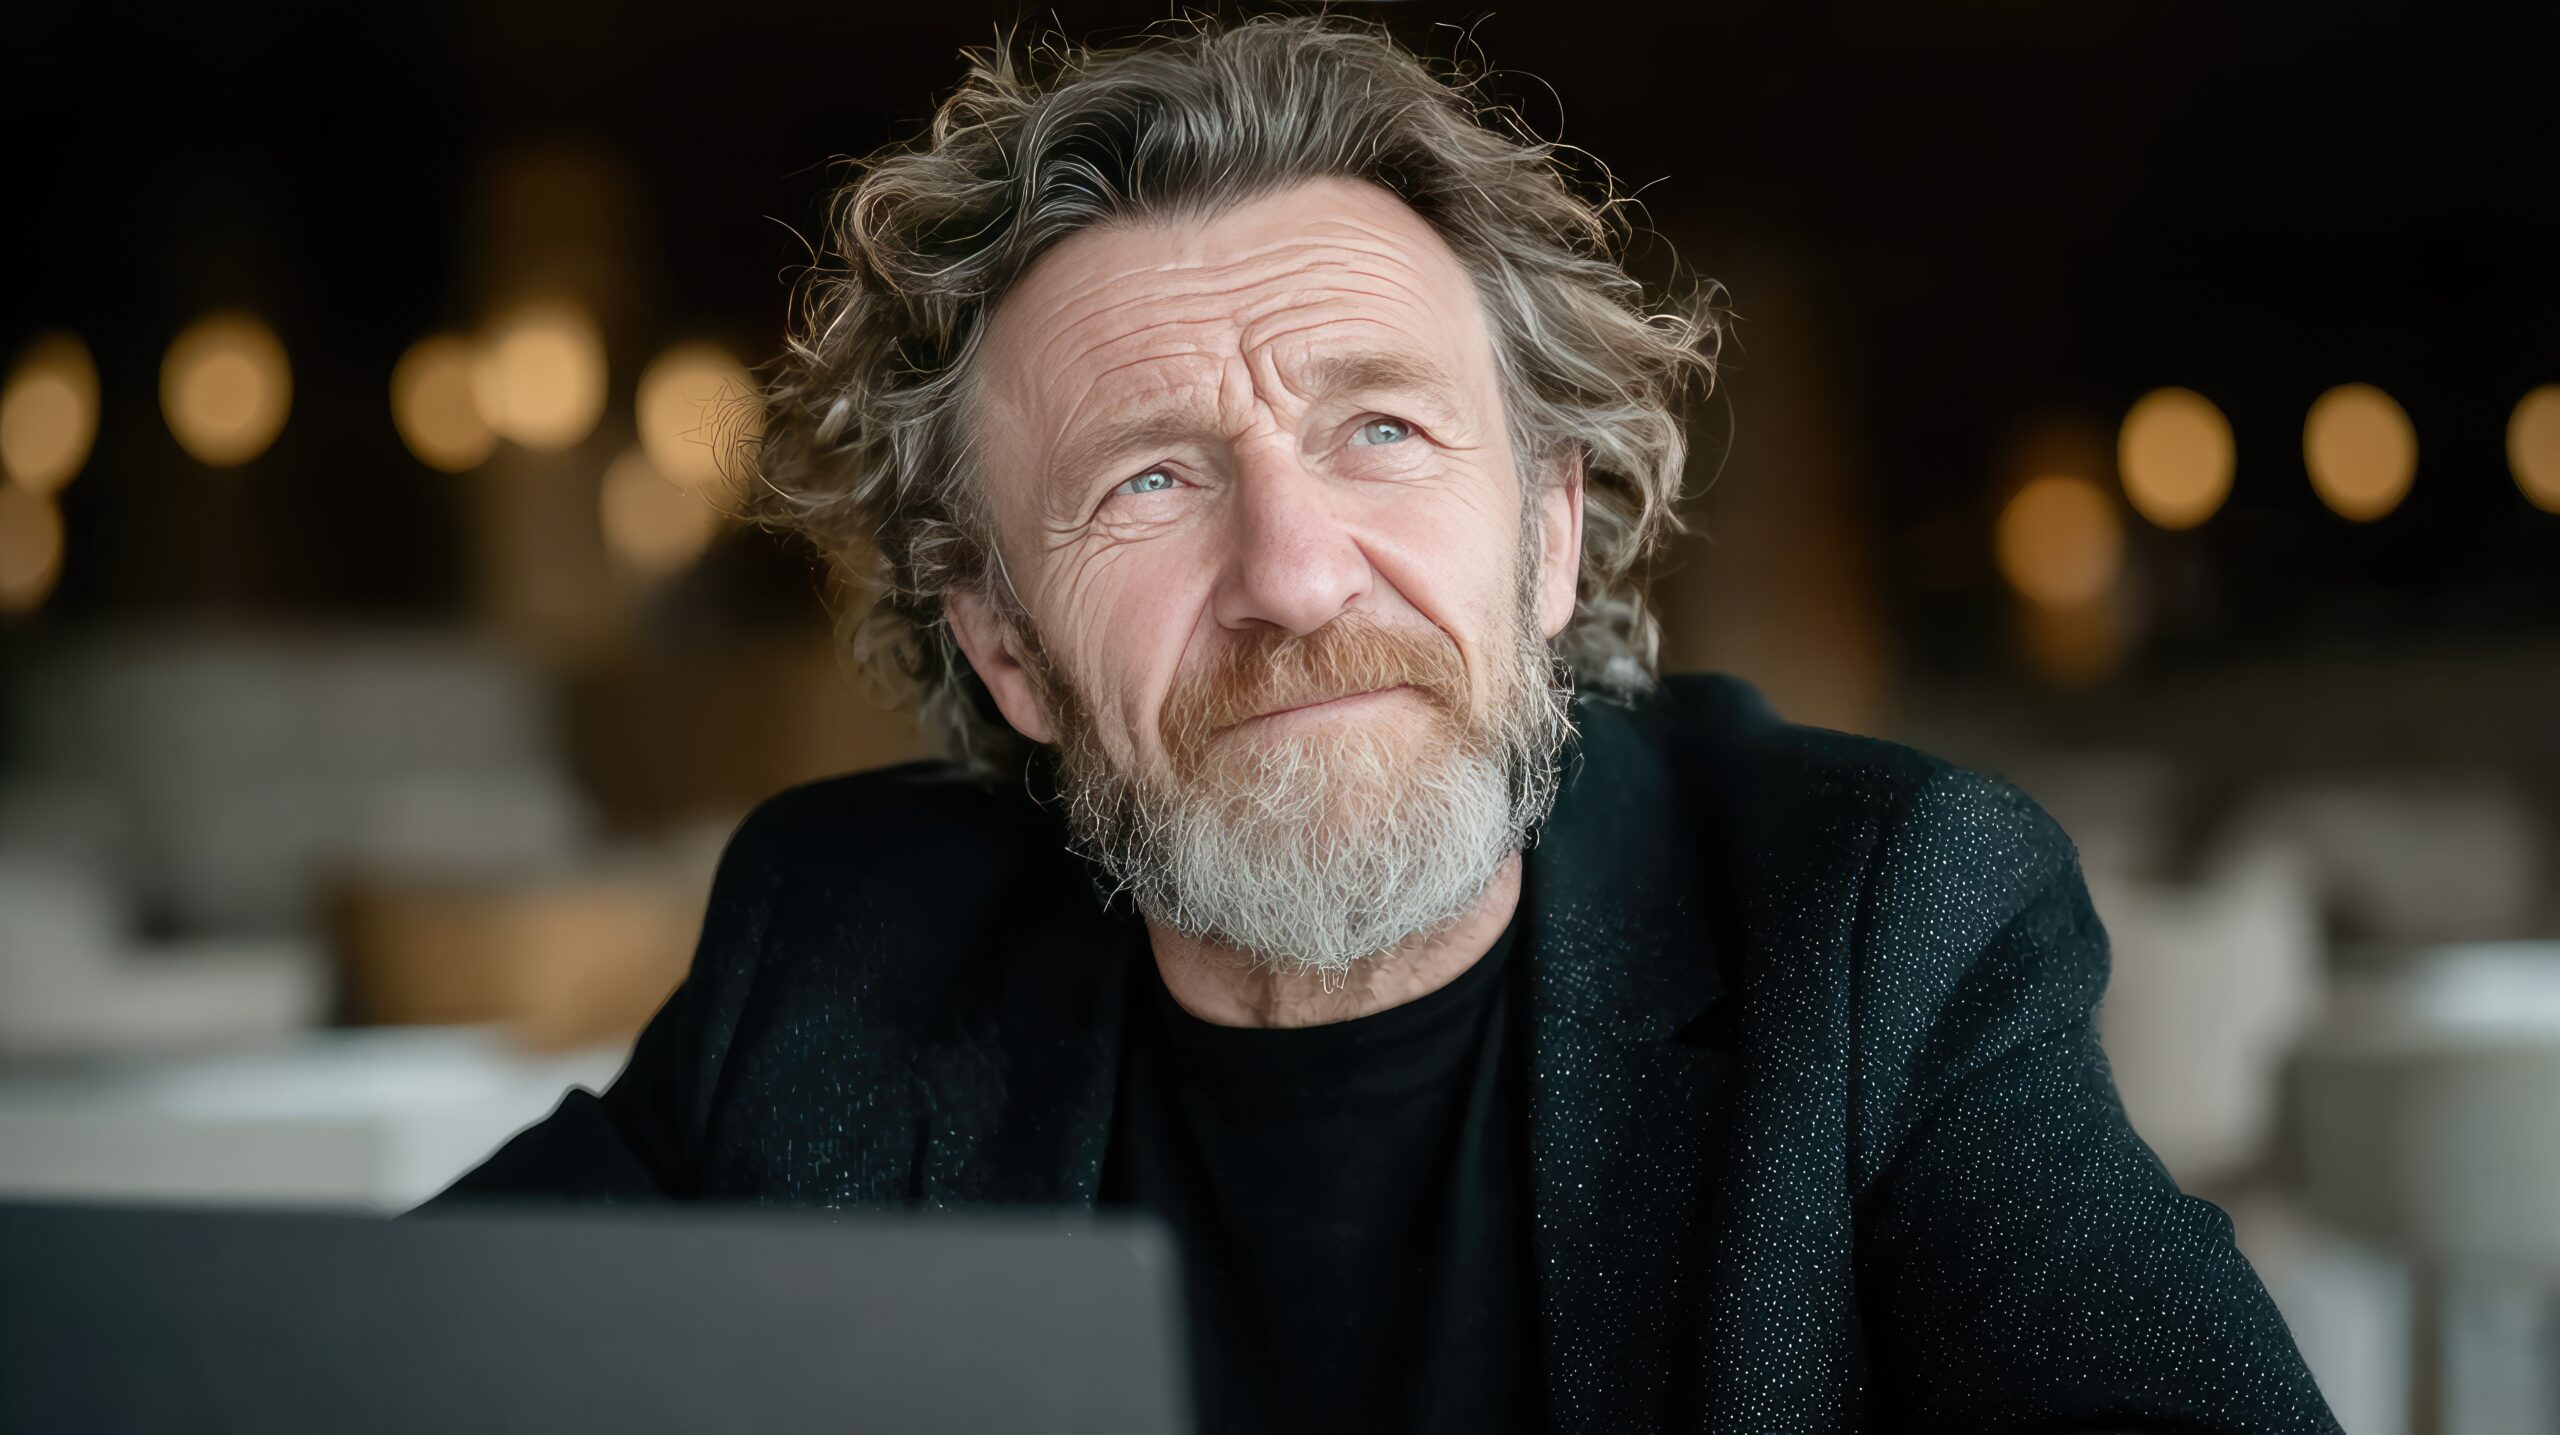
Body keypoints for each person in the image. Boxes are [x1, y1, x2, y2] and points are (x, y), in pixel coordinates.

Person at [423, 16, 2342, 1434]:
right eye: (1153, 482)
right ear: (1007, 648)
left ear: (1548, 544)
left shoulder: (1878, 925)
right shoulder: (842, 942)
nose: (1297, 573)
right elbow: (352, 1363)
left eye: (1384, 433)